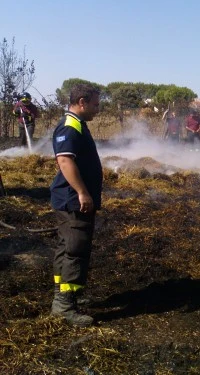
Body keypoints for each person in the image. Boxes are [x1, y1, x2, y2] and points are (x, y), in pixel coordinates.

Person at [49, 83, 102, 327]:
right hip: (73, 201)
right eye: (94, 104)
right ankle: (64, 306)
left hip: (71, 200)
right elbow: (65, 160)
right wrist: (82, 192)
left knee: (67, 248)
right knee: (74, 249)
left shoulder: (78, 125)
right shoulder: (70, 126)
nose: (97, 109)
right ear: (82, 101)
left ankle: (66, 295)